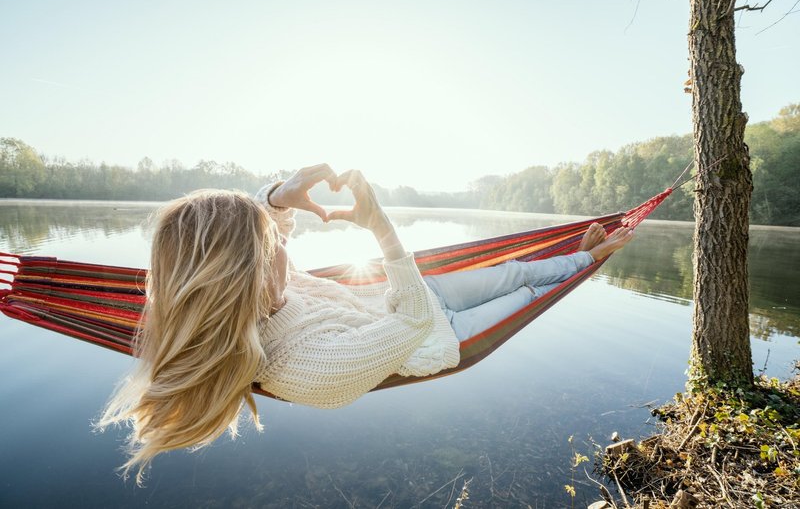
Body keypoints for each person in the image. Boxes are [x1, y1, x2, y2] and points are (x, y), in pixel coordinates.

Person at [98, 164, 633, 482]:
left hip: (410, 294)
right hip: (436, 336)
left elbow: (256, 246)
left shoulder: (257, 293)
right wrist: (380, 228)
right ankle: (589, 260)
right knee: (534, 292)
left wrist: (276, 199)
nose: (286, 246)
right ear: (251, 277)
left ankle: (576, 256)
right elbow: (416, 324)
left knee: (514, 270)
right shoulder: (309, 370)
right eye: (274, 246)